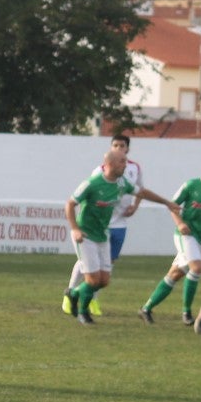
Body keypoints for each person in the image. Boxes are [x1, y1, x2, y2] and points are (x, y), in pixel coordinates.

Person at [64, 149, 176, 325]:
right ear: (110, 164)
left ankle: (74, 293)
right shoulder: (92, 184)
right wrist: (75, 229)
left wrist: (167, 203)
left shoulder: (122, 183)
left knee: (104, 281)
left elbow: (143, 193)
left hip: (103, 234)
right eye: (122, 162)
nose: (126, 165)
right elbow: (70, 204)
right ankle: (83, 312)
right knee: (93, 280)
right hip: (85, 235)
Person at [139, 152, 201, 327]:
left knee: (175, 274)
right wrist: (180, 223)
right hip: (185, 236)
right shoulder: (191, 185)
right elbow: (173, 206)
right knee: (196, 267)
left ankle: (146, 308)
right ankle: (187, 312)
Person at [61, 134, 142, 317]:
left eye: (122, 146)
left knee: (105, 272)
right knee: (88, 268)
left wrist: (135, 206)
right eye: (115, 145)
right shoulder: (99, 172)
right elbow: (79, 200)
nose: (118, 148)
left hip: (117, 224)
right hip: (92, 228)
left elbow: (140, 190)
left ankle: (90, 299)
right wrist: (77, 227)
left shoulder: (134, 169)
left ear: (127, 149)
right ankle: (77, 297)